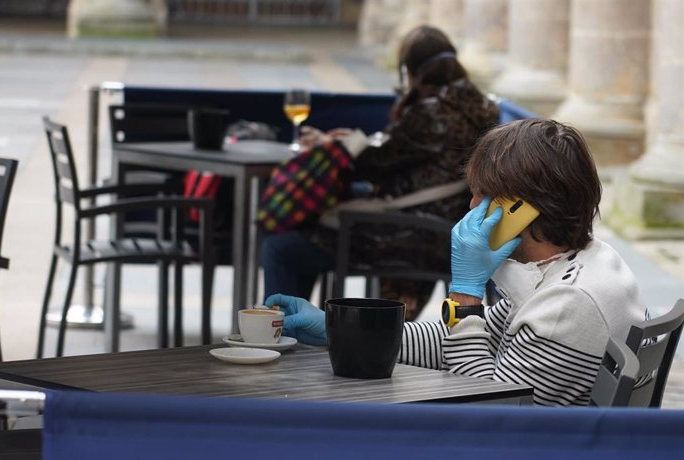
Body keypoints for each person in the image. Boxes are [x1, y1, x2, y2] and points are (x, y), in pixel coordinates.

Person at [264, 118, 649, 406]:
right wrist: (339, 330)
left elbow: (486, 403)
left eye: (483, 196)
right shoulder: (578, 264)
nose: (470, 207)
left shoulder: (569, 303)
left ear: (520, 209)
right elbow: (456, 342)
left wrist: (466, 294)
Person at [261, 25, 499, 320]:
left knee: (281, 247)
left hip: (413, 232)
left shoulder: (431, 112)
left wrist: (333, 144)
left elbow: (373, 164)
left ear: (409, 70)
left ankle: (278, 331)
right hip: (448, 223)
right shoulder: (484, 108)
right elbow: (404, 154)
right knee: (316, 219)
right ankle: (298, 327)